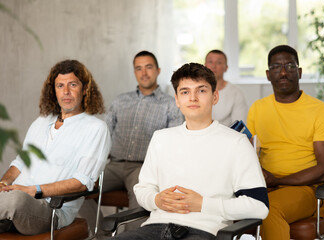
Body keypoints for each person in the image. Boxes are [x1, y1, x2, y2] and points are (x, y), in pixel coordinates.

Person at [112, 63, 269, 240]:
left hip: (203, 231)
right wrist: (156, 200)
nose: (193, 98)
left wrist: (203, 204)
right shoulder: (161, 138)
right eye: (185, 92)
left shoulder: (237, 142)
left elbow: (258, 206)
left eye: (201, 91)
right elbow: (143, 189)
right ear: (177, 100)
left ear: (215, 96)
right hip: (153, 228)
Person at [0, 60, 111, 235]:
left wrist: (32, 190)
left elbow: (81, 183)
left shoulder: (96, 128)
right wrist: (4, 182)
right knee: (11, 200)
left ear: (84, 89)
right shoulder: (40, 122)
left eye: (72, 84)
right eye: (60, 86)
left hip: (51, 211)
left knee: (15, 201)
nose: (66, 91)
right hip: (11, 206)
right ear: (54, 91)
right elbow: (20, 163)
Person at [80, 51, 184, 232]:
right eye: (139, 68)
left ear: (158, 70)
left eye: (149, 67)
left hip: (142, 168)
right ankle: (102, 234)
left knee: (140, 200)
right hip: (113, 166)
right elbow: (104, 135)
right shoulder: (121, 101)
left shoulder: (170, 104)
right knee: (77, 189)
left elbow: (172, 145)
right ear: (134, 72)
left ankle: (129, 237)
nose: (144, 73)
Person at [247, 45, 324, 240]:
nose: (282, 72)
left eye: (289, 66)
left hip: (304, 189)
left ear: (299, 72)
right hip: (264, 185)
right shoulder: (258, 108)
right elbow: (250, 153)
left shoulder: (321, 111)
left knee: (268, 210)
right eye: (276, 67)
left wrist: (278, 180)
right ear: (267, 74)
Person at [205, 49, 249, 126]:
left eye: (219, 62)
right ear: (205, 65)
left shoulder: (236, 93)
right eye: (210, 62)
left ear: (226, 68)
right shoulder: (195, 91)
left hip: (227, 136)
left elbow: (238, 127)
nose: (213, 66)